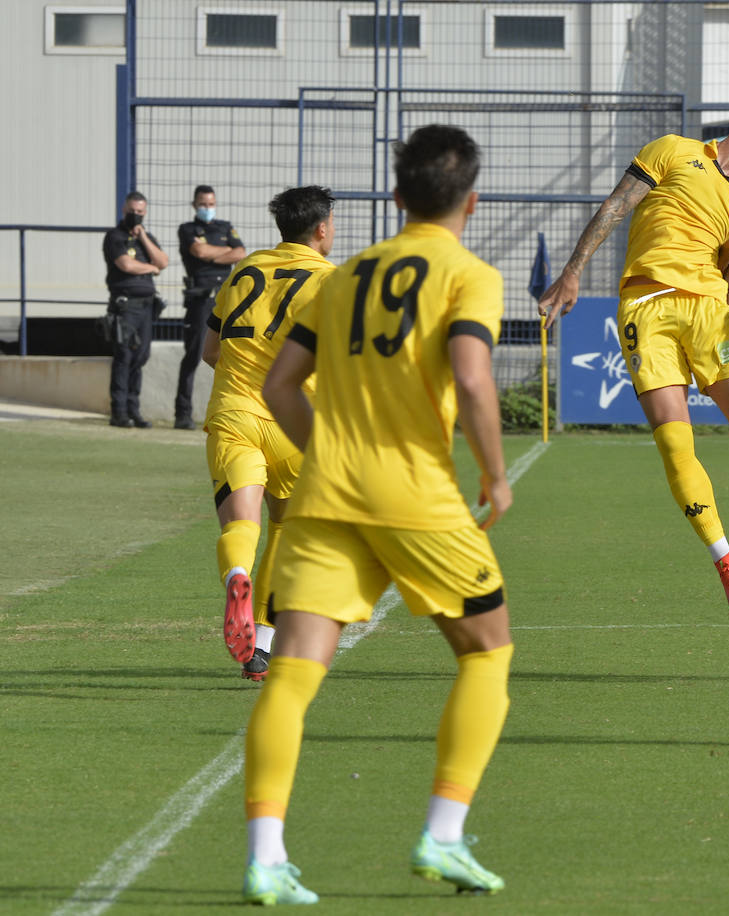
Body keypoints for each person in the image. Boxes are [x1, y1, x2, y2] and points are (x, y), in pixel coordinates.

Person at [246, 124, 512, 904]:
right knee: (486, 653)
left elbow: (278, 388)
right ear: (472, 200)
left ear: (396, 197)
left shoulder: (342, 275)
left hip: (326, 496)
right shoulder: (468, 274)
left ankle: (266, 857)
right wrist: (496, 475)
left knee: (291, 676)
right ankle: (444, 836)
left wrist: (326, 449)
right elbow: (470, 380)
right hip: (415, 495)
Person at [537, 100, 729, 617]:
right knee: (677, 444)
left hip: (710, 313)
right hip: (646, 305)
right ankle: (726, 562)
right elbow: (616, 205)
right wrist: (573, 270)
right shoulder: (673, 152)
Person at [202, 185, 337, 682]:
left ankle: (237, 575)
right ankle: (260, 645)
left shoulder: (244, 271)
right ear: (322, 228)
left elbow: (211, 351)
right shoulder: (331, 280)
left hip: (235, 411)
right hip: (296, 421)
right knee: (286, 525)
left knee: (243, 524)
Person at [176, 184, 245, 428]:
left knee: (231, 356)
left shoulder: (225, 227)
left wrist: (211, 255)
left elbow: (240, 253)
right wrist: (225, 251)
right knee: (194, 355)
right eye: (203, 204)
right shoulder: (187, 229)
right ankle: (182, 414)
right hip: (201, 298)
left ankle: (232, 412)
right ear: (195, 205)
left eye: (211, 204)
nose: (208, 208)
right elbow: (197, 249)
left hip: (226, 298)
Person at [101, 191, 169, 428]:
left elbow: (164, 262)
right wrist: (150, 269)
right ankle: (118, 412)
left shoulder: (146, 237)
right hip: (125, 306)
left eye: (140, 212)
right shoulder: (114, 236)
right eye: (132, 211)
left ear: (145, 213)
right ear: (123, 210)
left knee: (141, 357)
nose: (135, 215)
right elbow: (126, 264)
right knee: (124, 357)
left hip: (146, 306)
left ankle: (134, 410)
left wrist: (143, 238)